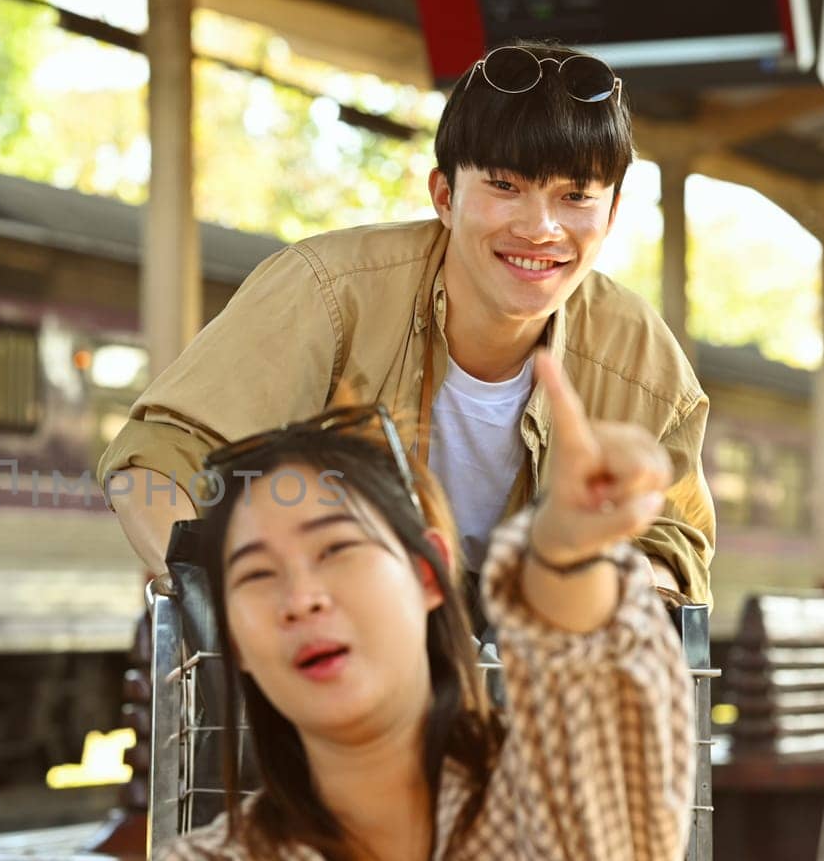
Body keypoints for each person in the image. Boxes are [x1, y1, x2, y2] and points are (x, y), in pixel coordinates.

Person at [114, 353, 694, 861]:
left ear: (428, 575)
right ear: (236, 639)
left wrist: (565, 552)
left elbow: (606, 679)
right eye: (256, 575)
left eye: (336, 549)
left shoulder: (555, 796)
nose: (300, 598)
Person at [98, 40, 714, 612]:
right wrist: (225, 606)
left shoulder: (645, 362)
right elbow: (160, 459)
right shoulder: (326, 292)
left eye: (575, 196)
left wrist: (621, 593)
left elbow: (671, 541)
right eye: (505, 186)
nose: (540, 228)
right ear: (444, 195)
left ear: (611, 214)